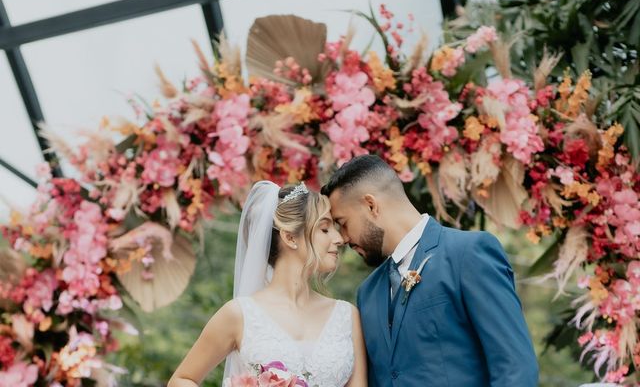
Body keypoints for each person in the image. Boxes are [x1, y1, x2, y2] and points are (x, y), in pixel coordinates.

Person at [321, 155, 539, 387]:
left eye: (343, 223)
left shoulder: (468, 254)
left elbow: (515, 368)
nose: (342, 238)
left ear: (371, 205)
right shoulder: (368, 292)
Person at [168, 181, 367, 387]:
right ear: (290, 237)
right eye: (325, 229)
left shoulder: (347, 316)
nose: (339, 239)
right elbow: (181, 380)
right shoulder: (239, 314)